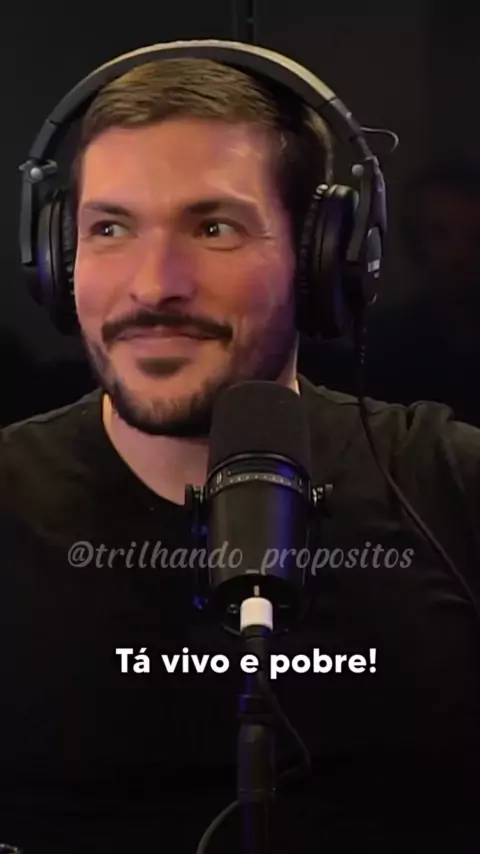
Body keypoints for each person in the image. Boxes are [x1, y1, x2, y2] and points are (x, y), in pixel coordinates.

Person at [1, 49, 480, 854]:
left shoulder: (453, 487)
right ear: (56, 258)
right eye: (110, 228)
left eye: (213, 227)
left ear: (321, 254)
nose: (154, 285)